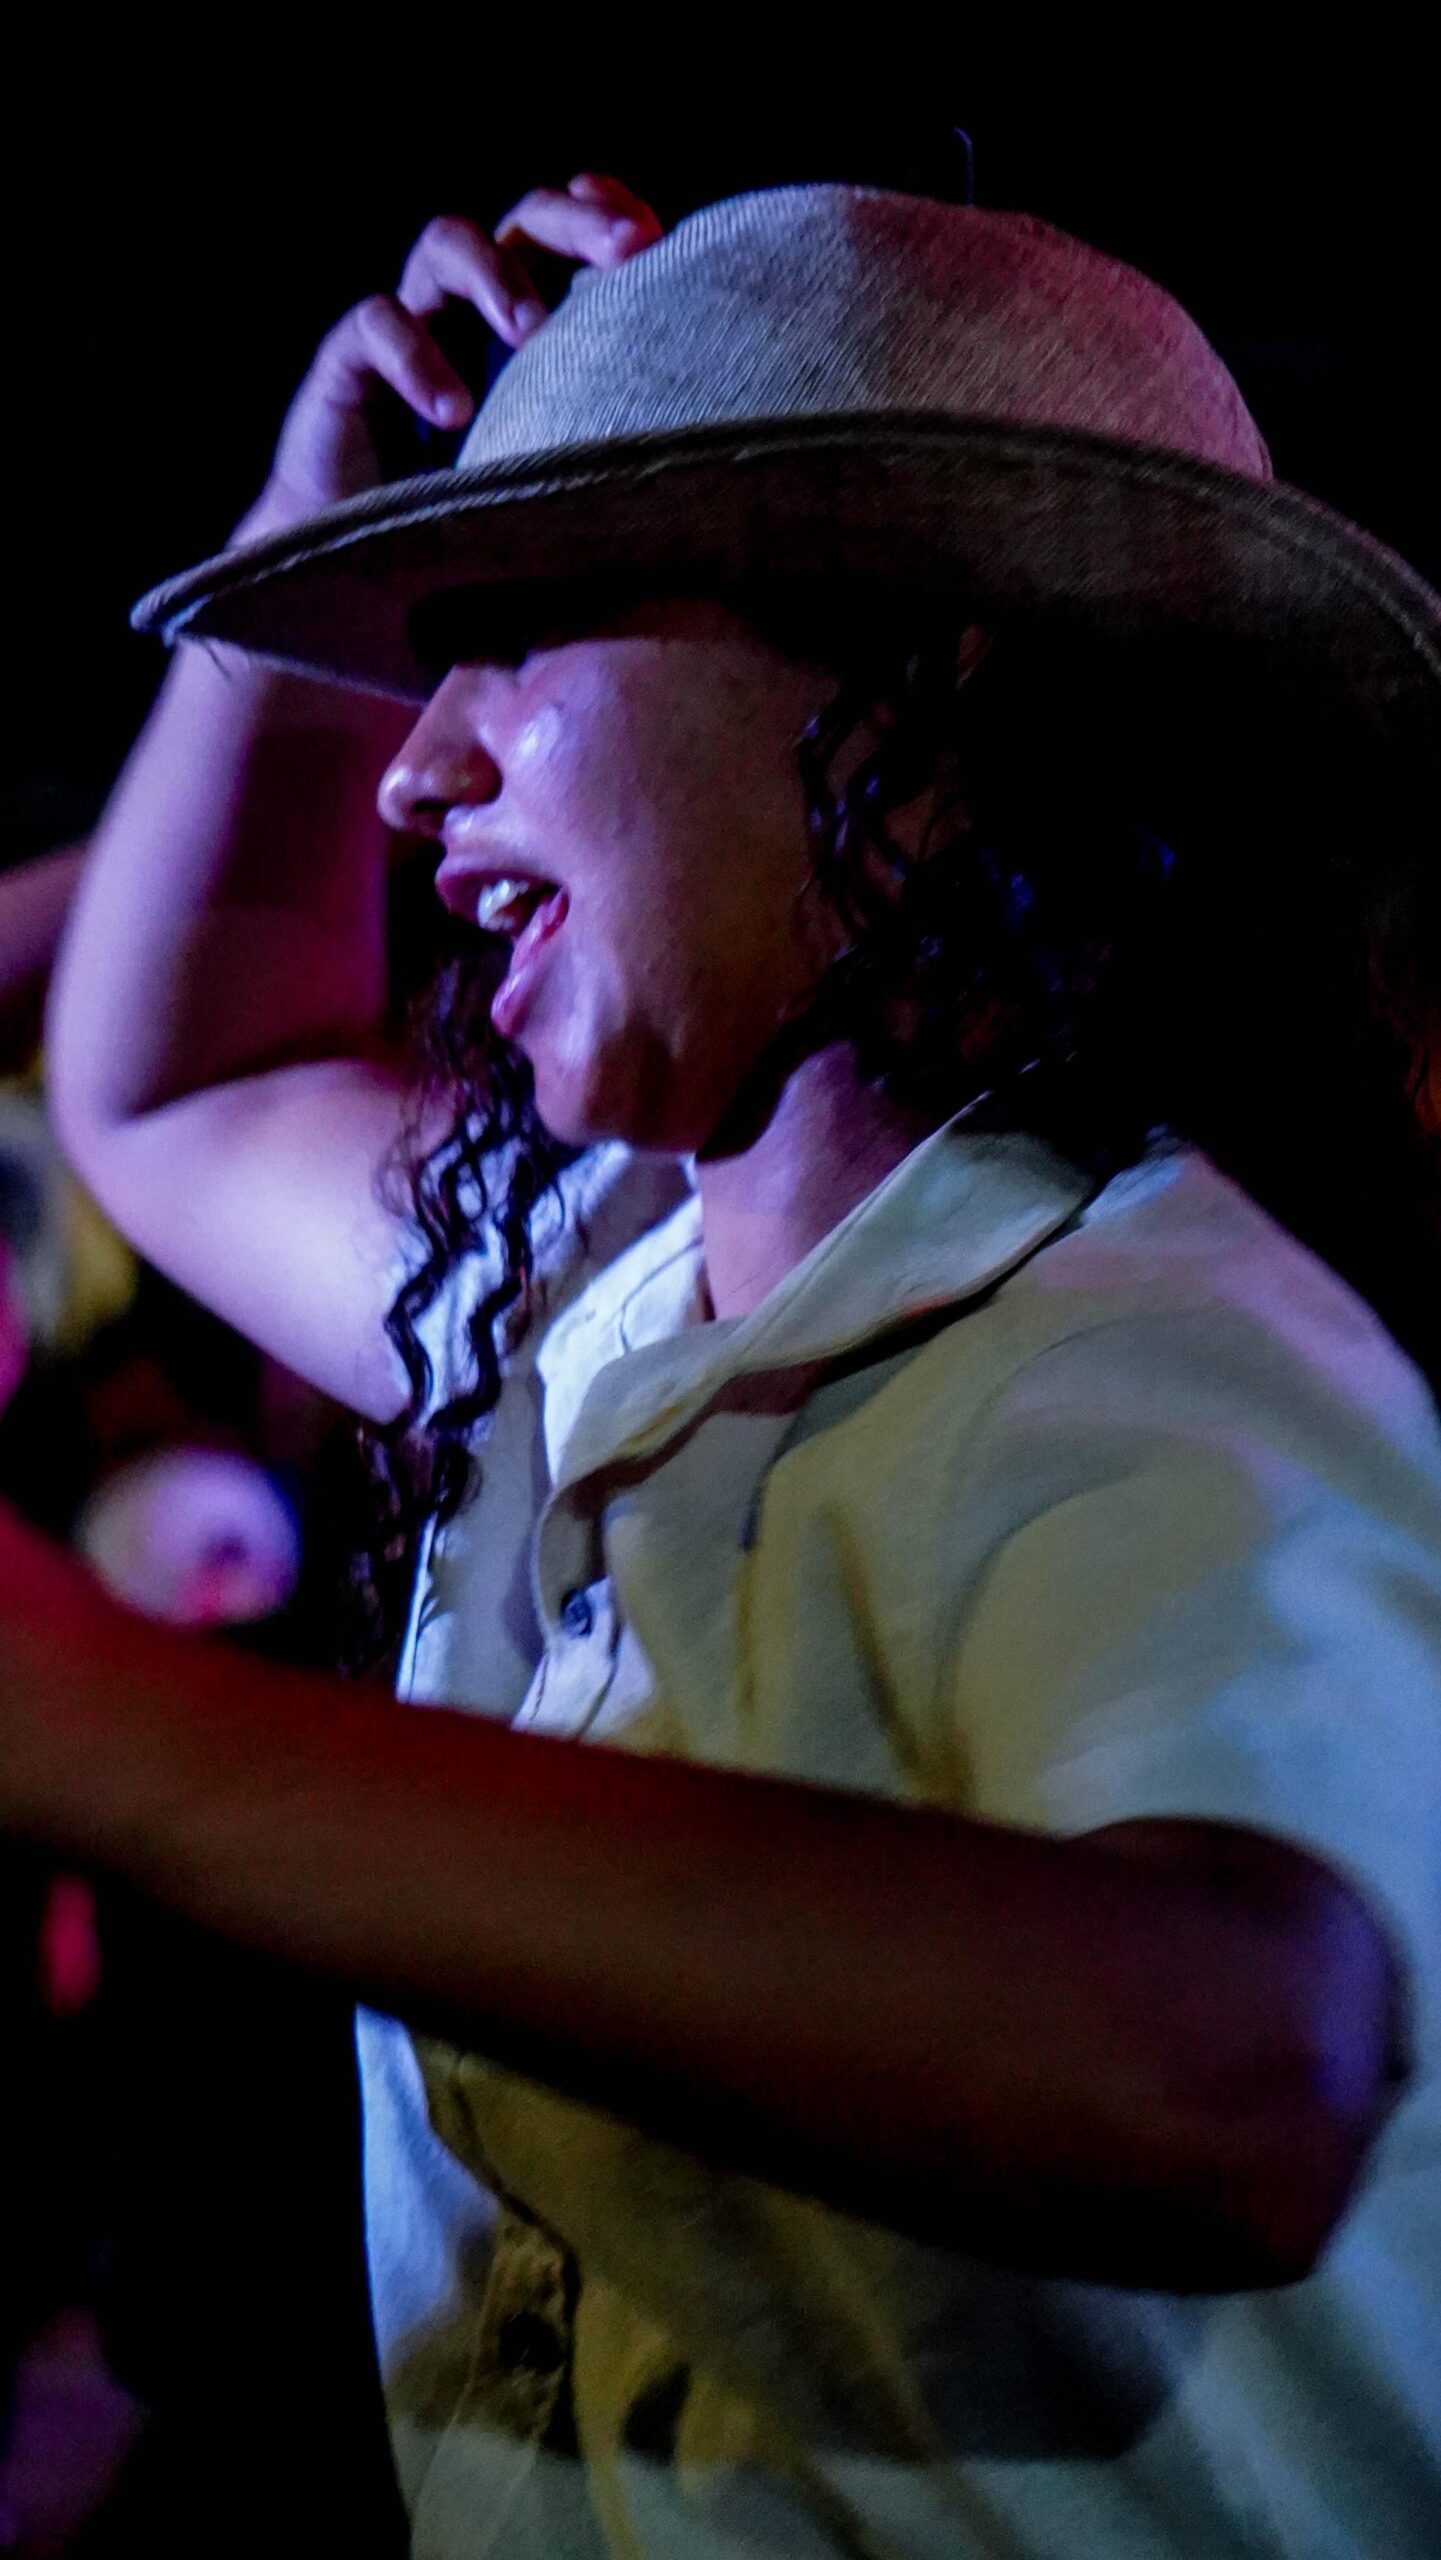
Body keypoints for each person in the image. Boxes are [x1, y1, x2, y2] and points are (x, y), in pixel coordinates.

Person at [2, 165, 1440, 2555]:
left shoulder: (1151, 1359)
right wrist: (292, 547)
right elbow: (187, 1088)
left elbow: (1232, 2060)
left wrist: (109, 1730)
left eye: (512, 635)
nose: (410, 767)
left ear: (918, 698)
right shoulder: (603, 1300)